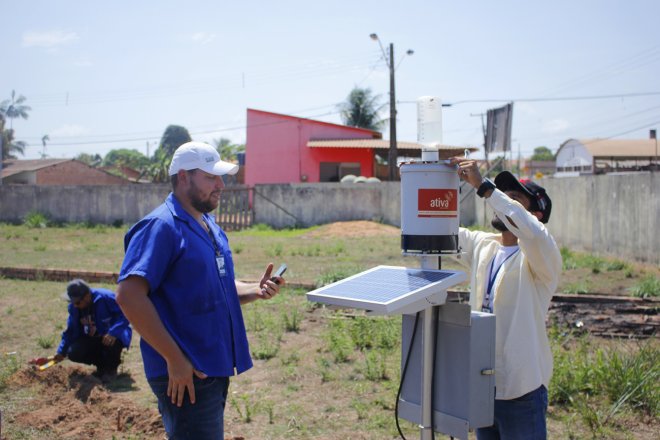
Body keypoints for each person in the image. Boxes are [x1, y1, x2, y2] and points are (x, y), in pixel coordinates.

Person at [115, 141, 285, 439]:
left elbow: (214, 284)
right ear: (183, 177)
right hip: (186, 372)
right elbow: (129, 296)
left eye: (220, 177)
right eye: (210, 177)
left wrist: (253, 290)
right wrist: (176, 360)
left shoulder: (208, 225)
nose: (220, 185)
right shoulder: (161, 226)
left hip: (211, 364)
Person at [450, 157, 562, 440]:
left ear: (534, 215)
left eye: (513, 199)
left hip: (521, 392)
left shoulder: (541, 256)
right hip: (484, 386)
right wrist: (425, 182)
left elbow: (532, 232)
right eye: (502, 196)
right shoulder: (483, 245)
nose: (499, 202)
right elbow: (440, 230)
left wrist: (486, 188)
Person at [55, 278, 132, 382]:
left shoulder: (106, 297)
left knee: (111, 341)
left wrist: (113, 332)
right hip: (92, 338)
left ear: (87, 296)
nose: (74, 305)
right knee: (73, 352)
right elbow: (71, 331)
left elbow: (126, 313)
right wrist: (61, 351)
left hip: (113, 336)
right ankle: (101, 366)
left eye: (77, 302)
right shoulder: (75, 308)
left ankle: (111, 370)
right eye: (72, 302)